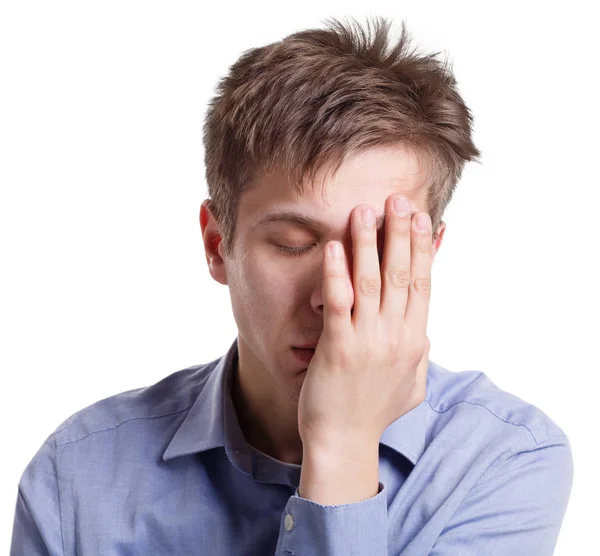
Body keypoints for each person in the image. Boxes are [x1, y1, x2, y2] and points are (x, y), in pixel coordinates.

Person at [10, 16, 573, 555]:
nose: (335, 295)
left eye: (378, 249)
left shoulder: (506, 459)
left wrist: (341, 446)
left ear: (426, 255)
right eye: (293, 243)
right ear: (217, 244)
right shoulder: (77, 476)